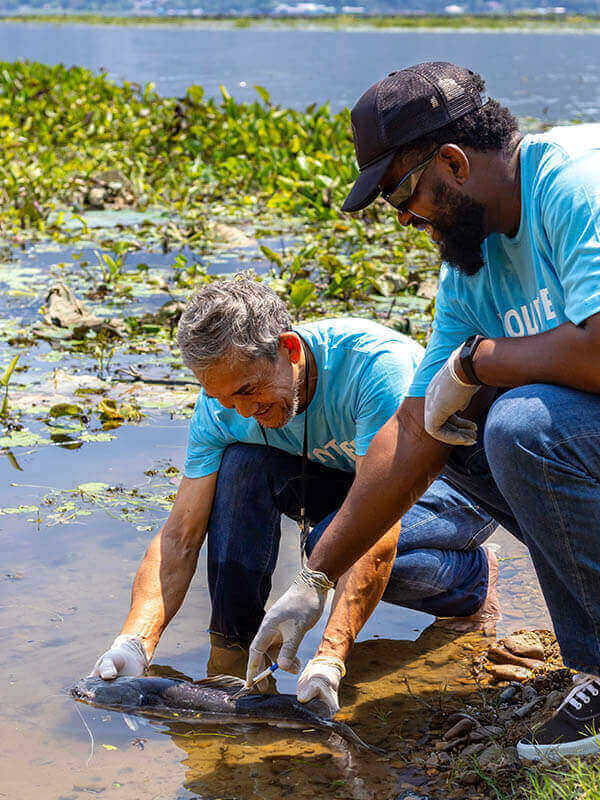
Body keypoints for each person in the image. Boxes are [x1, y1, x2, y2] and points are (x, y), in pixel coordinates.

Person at [245, 62, 600, 762]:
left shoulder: (572, 186)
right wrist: (315, 576)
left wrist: (478, 363)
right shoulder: (469, 271)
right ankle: (593, 664)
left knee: (516, 422)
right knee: (455, 429)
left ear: (454, 162)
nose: (406, 218)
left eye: (405, 193)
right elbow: (413, 429)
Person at [90, 275, 499, 717]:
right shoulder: (221, 405)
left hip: (453, 485)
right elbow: (180, 536)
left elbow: (377, 530)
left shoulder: (376, 368)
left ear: (289, 349)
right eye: (224, 398)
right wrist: (134, 641)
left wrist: (330, 658)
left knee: (329, 546)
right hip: (353, 481)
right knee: (242, 465)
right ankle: (234, 646)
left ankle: (472, 580)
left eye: (249, 389)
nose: (244, 410)